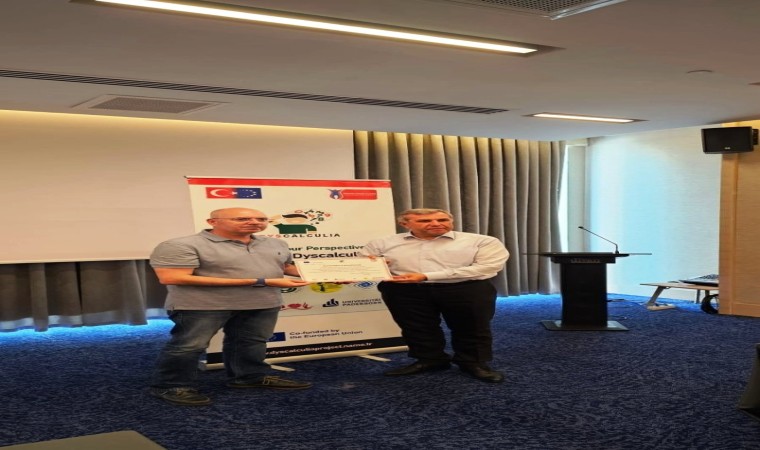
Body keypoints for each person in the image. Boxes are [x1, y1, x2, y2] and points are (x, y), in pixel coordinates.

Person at [149, 207, 312, 406]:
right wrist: (261, 281)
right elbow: (173, 277)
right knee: (189, 346)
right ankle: (171, 386)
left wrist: (328, 274)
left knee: (251, 342)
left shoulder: (275, 243)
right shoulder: (180, 245)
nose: (255, 222)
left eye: (261, 219)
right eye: (242, 219)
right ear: (212, 222)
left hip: (262, 302)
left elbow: (285, 267)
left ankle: (249, 376)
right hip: (203, 306)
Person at [362, 208, 509, 383]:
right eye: (425, 221)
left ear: (451, 221)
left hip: (465, 288)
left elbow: (486, 267)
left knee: (472, 327)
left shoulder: (482, 241)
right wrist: (366, 270)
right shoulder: (381, 243)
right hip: (404, 290)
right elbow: (364, 264)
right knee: (416, 327)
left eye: (443, 220)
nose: (436, 224)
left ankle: (473, 363)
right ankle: (430, 360)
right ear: (404, 224)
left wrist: (426, 276)